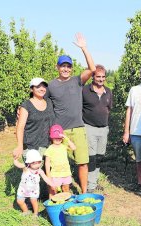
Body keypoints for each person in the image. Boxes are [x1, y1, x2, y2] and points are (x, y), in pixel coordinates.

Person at [45, 33, 96, 194]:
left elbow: (93, 69)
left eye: (68, 66)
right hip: (60, 131)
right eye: (62, 66)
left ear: (71, 68)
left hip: (78, 128)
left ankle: (84, 192)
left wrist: (84, 48)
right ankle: (59, 193)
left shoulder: (77, 81)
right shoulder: (51, 86)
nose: (65, 69)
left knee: (82, 162)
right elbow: (43, 104)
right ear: (57, 67)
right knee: (59, 164)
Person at [82, 64, 113, 193]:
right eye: (98, 76)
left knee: (100, 156)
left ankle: (93, 182)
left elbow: (108, 109)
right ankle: (90, 186)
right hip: (89, 127)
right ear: (93, 77)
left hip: (103, 128)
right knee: (91, 157)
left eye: (103, 77)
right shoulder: (85, 90)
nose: (101, 79)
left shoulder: (108, 91)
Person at [13, 78, 55, 159]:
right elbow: (20, 127)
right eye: (38, 86)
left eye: (43, 86)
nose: (42, 89)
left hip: (48, 145)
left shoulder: (49, 102)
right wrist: (19, 146)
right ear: (31, 89)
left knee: (47, 171)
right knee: (34, 171)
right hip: (31, 147)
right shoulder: (26, 105)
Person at [13, 149, 53, 216]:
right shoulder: (25, 167)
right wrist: (15, 159)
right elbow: (18, 164)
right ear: (28, 163)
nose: (37, 165)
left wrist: (52, 184)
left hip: (34, 189)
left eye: (39, 162)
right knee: (19, 201)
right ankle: (25, 211)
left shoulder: (39, 171)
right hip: (23, 189)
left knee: (34, 201)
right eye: (34, 163)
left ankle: (35, 213)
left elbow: (45, 178)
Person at [44, 124, 77, 198]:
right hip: (55, 174)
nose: (58, 139)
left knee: (66, 189)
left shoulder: (64, 146)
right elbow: (47, 163)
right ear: (51, 138)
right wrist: (48, 175)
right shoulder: (50, 149)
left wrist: (66, 138)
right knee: (53, 191)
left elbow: (74, 148)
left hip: (66, 173)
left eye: (59, 138)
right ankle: (52, 206)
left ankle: (66, 204)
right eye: (55, 137)